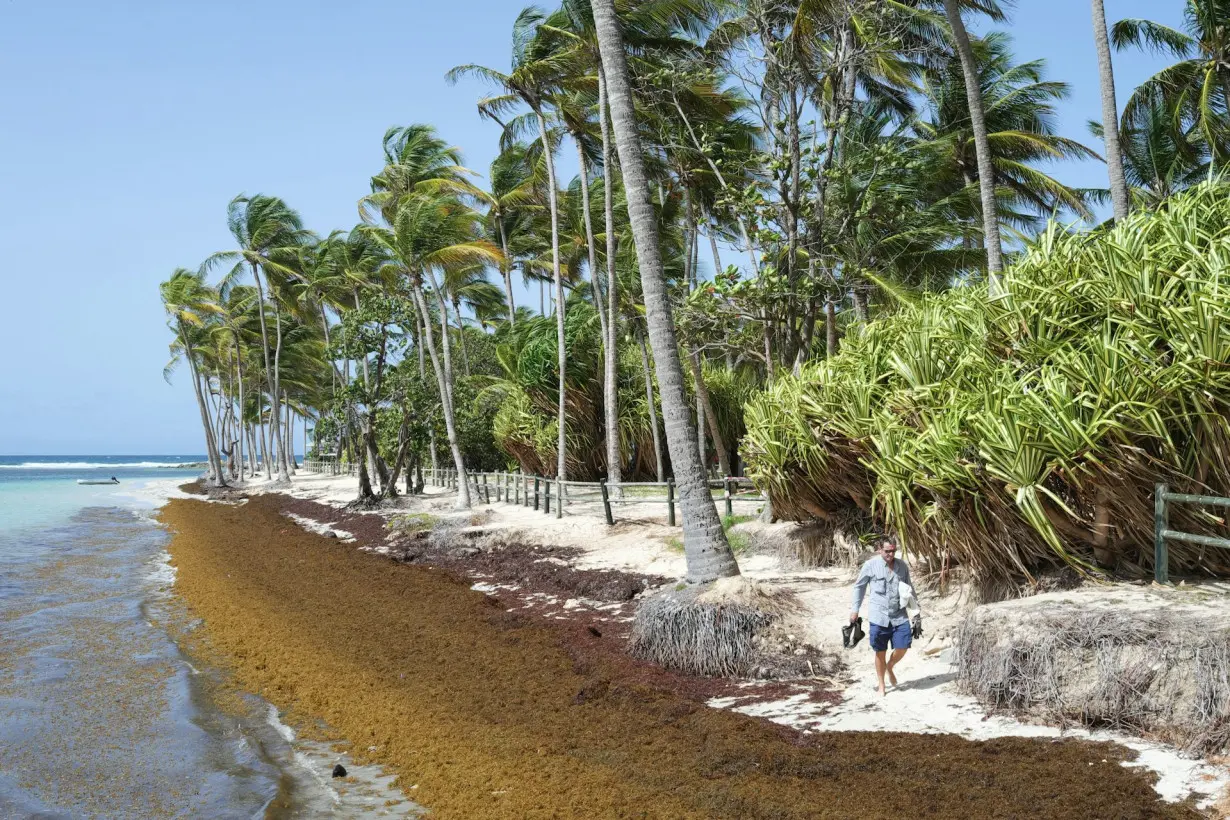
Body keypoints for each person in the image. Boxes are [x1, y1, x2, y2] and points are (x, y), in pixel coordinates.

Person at [850, 535, 918, 696]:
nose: (891, 554)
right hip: (878, 616)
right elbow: (859, 587)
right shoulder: (870, 565)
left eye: (893, 551)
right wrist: (855, 609)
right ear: (880, 549)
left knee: (903, 646)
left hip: (899, 615)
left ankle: (890, 666)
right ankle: (882, 685)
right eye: (887, 551)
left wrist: (916, 613)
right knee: (880, 651)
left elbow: (909, 589)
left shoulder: (902, 566)